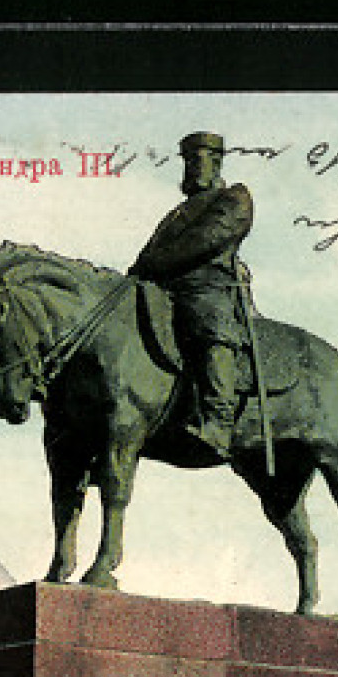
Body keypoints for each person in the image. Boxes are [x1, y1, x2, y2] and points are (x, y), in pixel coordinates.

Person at [129, 131, 255, 460]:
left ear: (216, 161)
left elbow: (207, 239)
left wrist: (157, 263)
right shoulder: (176, 214)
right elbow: (146, 256)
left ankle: (219, 420)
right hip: (165, 288)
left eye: (198, 160)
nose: (191, 168)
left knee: (209, 323)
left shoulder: (234, 198)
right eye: (187, 161)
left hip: (207, 285)